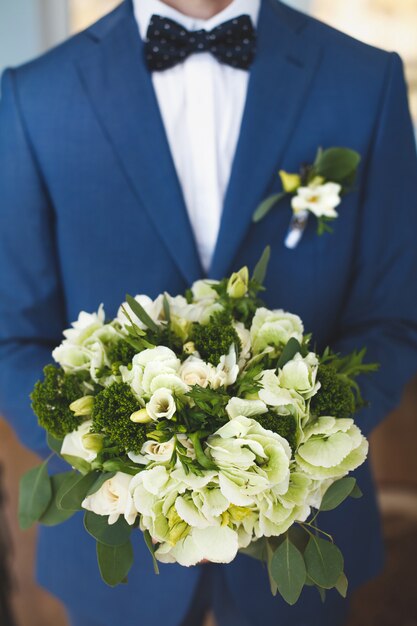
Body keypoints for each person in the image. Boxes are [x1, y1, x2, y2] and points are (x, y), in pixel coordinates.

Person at [1, 0, 417, 625]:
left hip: (302, 540)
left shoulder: (364, 80)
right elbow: (14, 336)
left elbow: (393, 319)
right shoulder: (35, 95)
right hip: (116, 558)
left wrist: (294, 458)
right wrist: (126, 464)